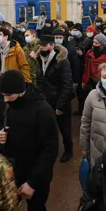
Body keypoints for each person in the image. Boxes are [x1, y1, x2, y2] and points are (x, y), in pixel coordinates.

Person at [0, 70, 58, 211]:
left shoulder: (42, 110)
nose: (5, 99)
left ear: (20, 91)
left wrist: (33, 183)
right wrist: (3, 137)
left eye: (8, 95)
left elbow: (50, 149)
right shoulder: (11, 105)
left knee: (36, 208)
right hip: (16, 170)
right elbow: (11, 130)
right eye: (3, 95)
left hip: (36, 175)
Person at [36, 35, 74, 163]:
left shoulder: (62, 60)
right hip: (45, 101)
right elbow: (39, 81)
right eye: (40, 45)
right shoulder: (39, 59)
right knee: (47, 129)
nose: (42, 48)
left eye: (45, 45)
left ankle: (69, 150)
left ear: (52, 46)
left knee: (65, 129)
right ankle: (49, 152)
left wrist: (60, 106)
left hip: (60, 101)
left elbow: (67, 84)